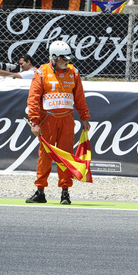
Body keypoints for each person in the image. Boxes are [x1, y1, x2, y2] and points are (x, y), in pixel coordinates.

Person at [26, 41, 92, 205]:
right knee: (45, 156)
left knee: (66, 156)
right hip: (47, 120)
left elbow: (80, 98)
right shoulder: (41, 72)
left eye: (69, 58)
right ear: (54, 57)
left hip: (67, 120)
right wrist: (34, 121)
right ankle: (40, 191)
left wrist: (84, 117)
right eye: (63, 58)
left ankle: (65, 193)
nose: (67, 61)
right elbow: (33, 99)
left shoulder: (74, 72)